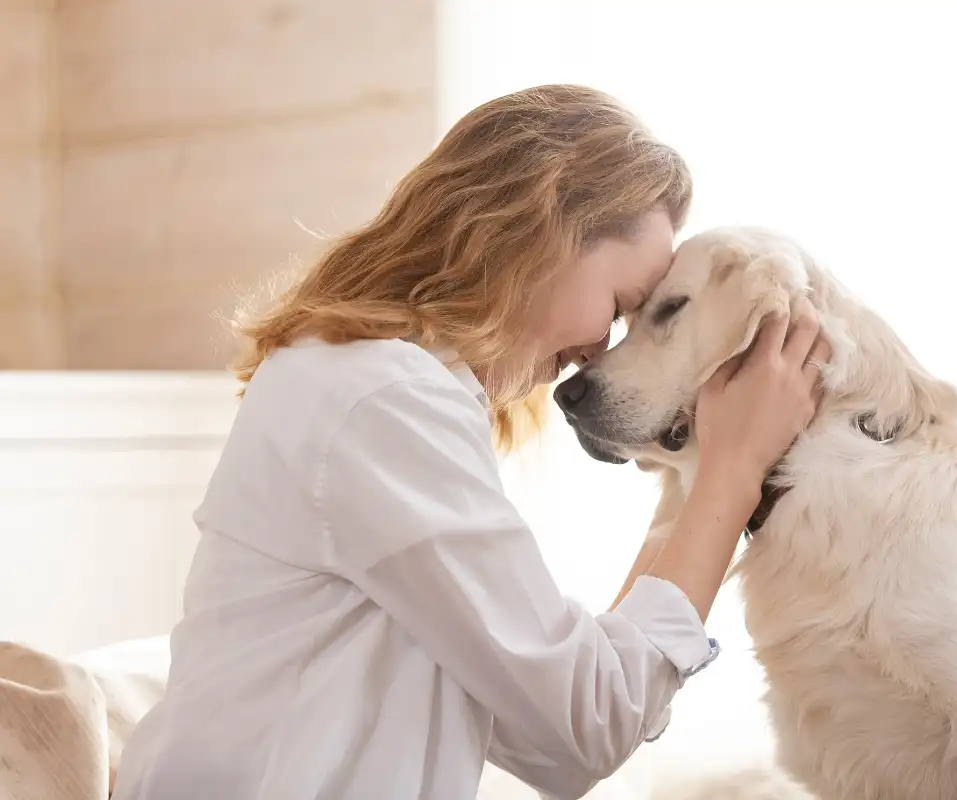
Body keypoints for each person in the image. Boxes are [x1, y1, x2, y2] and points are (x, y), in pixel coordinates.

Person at [111, 84, 830, 800]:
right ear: (541, 232)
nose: (598, 352)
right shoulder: (383, 399)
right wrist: (730, 477)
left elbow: (553, 729)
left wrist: (697, 469)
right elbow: (586, 726)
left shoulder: (368, 382)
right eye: (617, 306)